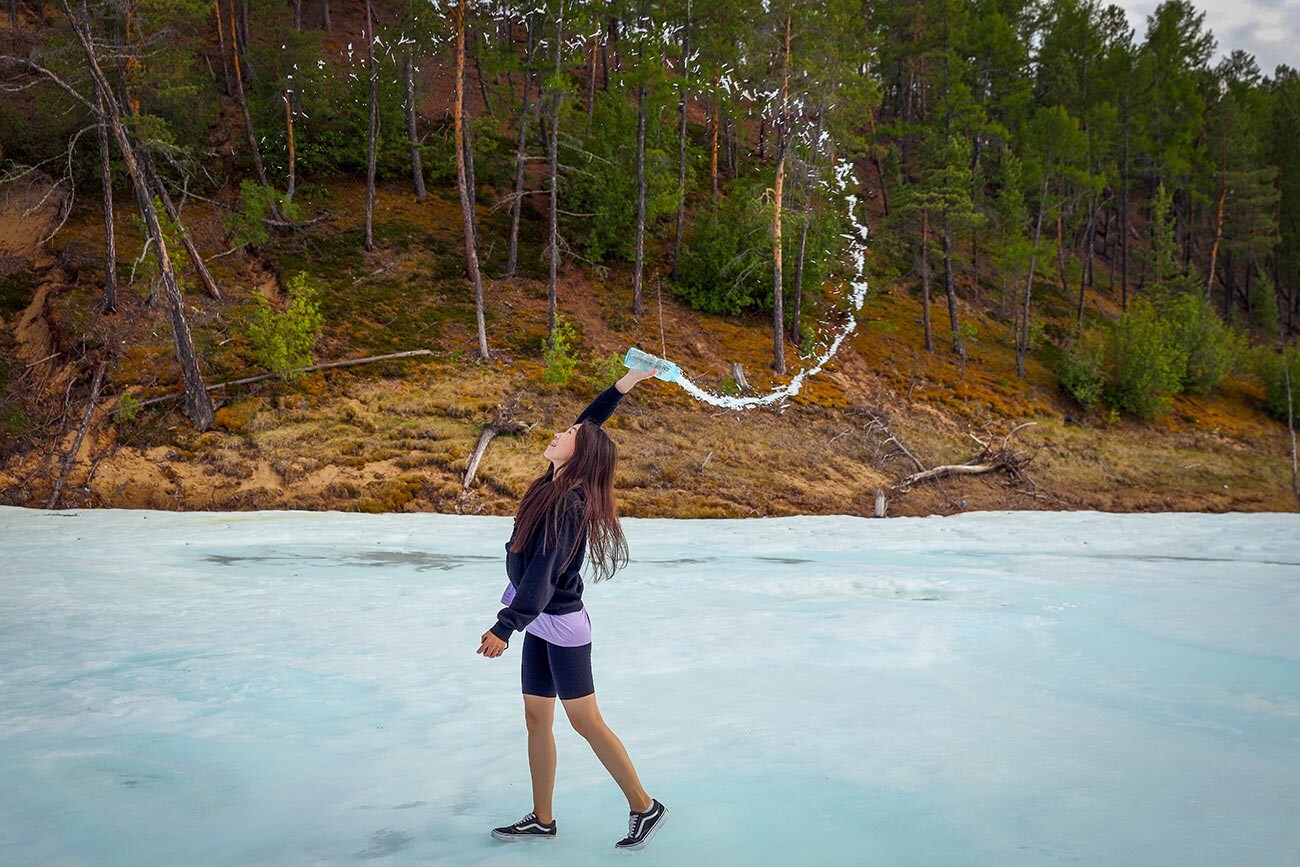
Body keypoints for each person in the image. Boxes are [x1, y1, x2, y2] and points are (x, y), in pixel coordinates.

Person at [477, 368, 670, 852]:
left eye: (568, 435)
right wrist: (627, 382)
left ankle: (645, 806)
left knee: (584, 720)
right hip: (537, 614)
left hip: (558, 622)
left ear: (580, 454)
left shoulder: (570, 501)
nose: (559, 433)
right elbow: (590, 424)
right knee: (536, 716)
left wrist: (506, 626)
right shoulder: (557, 479)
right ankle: (542, 818)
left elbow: (543, 572)